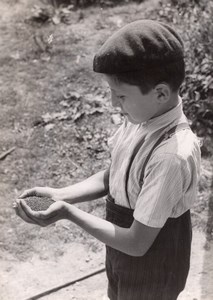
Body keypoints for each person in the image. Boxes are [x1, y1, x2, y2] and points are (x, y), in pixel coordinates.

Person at [14, 19, 201, 300]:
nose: (114, 103)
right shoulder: (140, 118)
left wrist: (67, 212)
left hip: (154, 264)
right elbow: (114, 175)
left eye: (121, 95)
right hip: (119, 248)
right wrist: (60, 195)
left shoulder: (171, 156)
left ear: (161, 92)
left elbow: (138, 243)